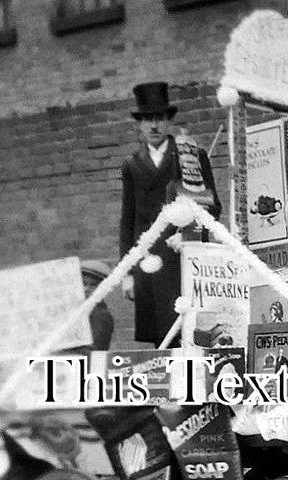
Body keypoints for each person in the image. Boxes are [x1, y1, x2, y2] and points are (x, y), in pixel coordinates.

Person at [119, 81, 221, 346]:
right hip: (149, 265)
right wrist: (127, 274)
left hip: (182, 259)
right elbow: (128, 220)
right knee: (161, 343)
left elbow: (212, 207)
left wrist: (190, 236)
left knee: (189, 337)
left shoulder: (191, 155)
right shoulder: (131, 165)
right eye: (147, 120)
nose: (154, 126)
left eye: (159, 119)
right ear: (139, 125)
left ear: (168, 121)